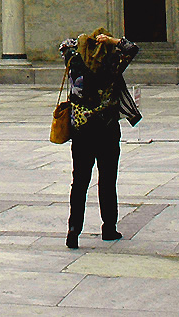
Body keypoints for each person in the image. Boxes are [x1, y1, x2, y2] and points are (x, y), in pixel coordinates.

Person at [60, 27, 141, 248]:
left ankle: (73, 230)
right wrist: (111, 40)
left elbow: (64, 45)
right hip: (107, 131)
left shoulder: (74, 62)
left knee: (79, 182)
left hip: (82, 133)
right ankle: (109, 227)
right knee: (107, 181)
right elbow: (132, 48)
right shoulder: (112, 64)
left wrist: (84, 40)